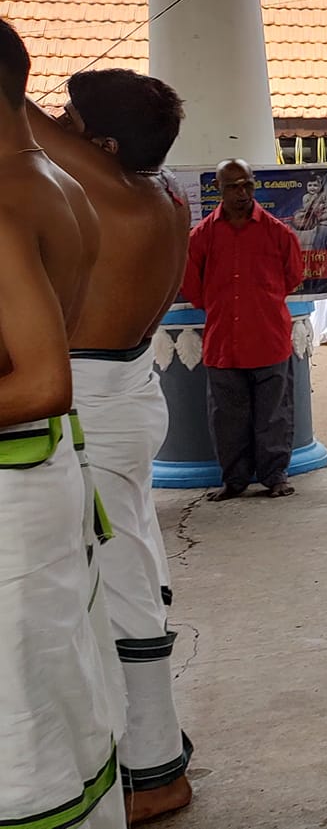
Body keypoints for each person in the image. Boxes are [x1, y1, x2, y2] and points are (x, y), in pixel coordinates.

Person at [29, 68, 197, 820]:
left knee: (122, 581)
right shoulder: (163, 197)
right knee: (128, 569)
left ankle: (155, 771)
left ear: (99, 145)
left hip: (100, 402)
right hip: (123, 392)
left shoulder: (118, 195)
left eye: (72, 119)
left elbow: (17, 120)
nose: (56, 124)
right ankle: (146, 748)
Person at [0, 18, 123, 829]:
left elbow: (42, 378)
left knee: (22, 731)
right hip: (43, 474)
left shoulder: (6, 196)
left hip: (16, 482)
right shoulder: (60, 184)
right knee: (62, 687)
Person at [182, 159, 306, 500]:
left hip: (269, 339)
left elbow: (292, 278)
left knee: (274, 414)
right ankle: (234, 481)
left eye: (247, 185)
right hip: (224, 343)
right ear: (218, 190)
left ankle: (274, 476)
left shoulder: (279, 234)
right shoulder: (201, 237)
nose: (241, 192)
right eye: (233, 186)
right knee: (227, 418)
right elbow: (193, 288)